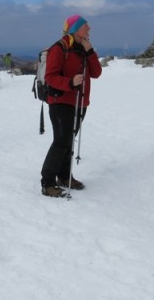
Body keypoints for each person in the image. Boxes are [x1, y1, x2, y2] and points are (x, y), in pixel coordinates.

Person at [40, 15, 102, 197]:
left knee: (68, 141)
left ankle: (65, 176)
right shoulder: (59, 48)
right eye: (85, 26)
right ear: (75, 29)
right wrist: (70, 82)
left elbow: (96, 73)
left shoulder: (82, 47)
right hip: (61, 103)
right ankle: (48, 183)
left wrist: (90, 52)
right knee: (61, 142)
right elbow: (50, 77)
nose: (89, 28)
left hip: (79, 103)